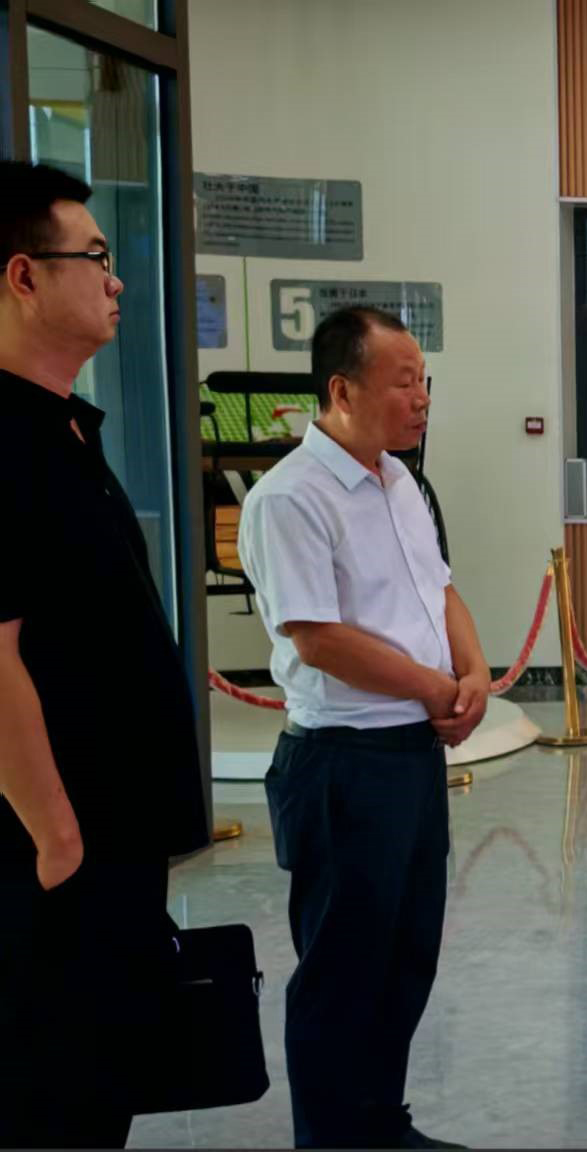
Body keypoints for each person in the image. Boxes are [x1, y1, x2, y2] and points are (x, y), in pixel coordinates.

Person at [235, 306, 488, 1149]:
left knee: (406, 954)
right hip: (343, 763)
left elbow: (439, 588)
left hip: (411, 755)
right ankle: (332, 1136)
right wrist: (435, 688)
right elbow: (318, 637)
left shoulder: (400, 483)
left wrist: (473, 674)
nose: (421, 399)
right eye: (403, 382)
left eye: (424, 381)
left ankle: (381, 1119)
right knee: (343, 967)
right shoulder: (290, 497)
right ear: (342, 391)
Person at [0, 160, 209, 1149]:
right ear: (23, 276)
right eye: (95, 257)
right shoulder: (4, 440)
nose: (117, 279)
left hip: (109, 848)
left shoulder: (65, 432)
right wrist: (58, 841)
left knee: (99, 1094)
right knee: (54, 1101)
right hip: (57, 861)